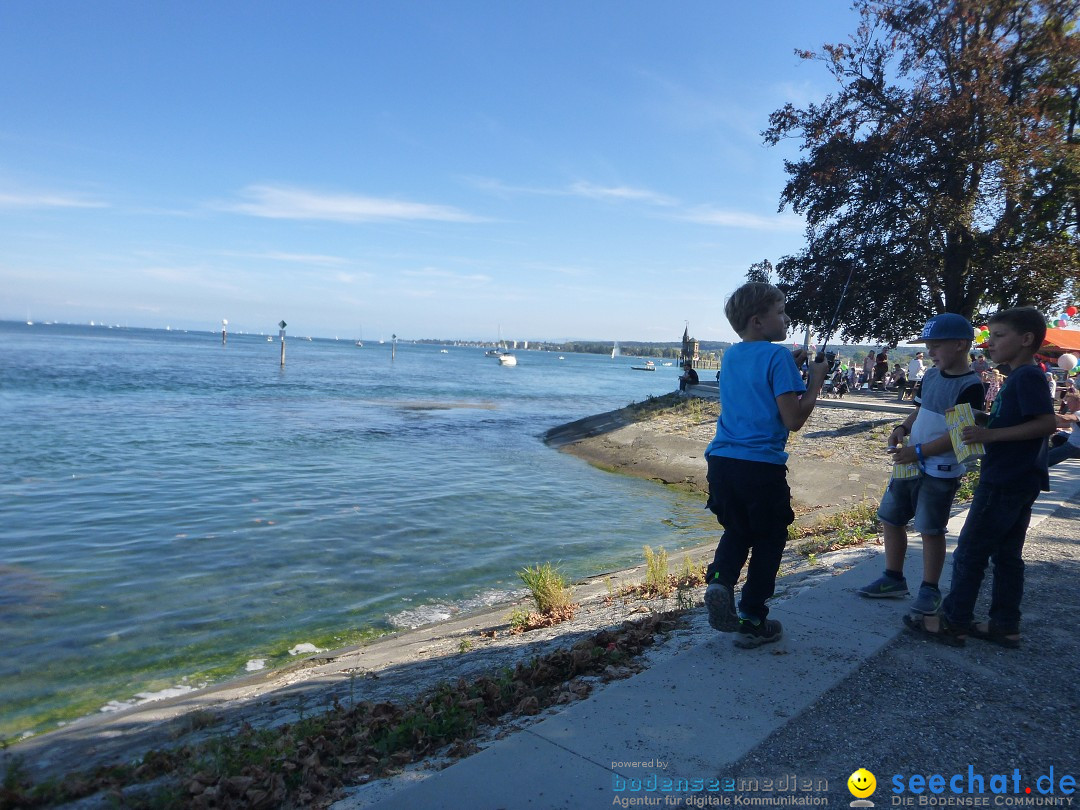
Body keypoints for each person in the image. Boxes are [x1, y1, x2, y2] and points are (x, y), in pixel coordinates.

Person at [904, 307, 1057, 647]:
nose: (990, 343)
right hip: (1021, 479)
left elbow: (1046, 424)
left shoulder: (1026, 376)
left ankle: (953, 621)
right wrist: (984, 422)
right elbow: (1021, 421)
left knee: (971, 552)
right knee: (1006, 555)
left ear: (1026, 339)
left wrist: (989, 436)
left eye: (999, 336)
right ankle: (1005, 624)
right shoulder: (1019, 376)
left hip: (1004, 480)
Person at [702, 282, 828, 648]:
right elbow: (793, 420)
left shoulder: (731, 356)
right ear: (759, 321)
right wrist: (815, 382)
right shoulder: (776, 358)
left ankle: (721, 581)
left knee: (737, 530)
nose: (787, 318)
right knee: (770, 538)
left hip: (722, 461)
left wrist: (790, 367)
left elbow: (755, 385)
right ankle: (753, 618)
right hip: (761, 467)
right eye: (781, 311)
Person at [857, 313, 984, 614]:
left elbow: (960, 435)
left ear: (961, 344)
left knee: (930, 528)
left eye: (936, 345)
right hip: (910, 459)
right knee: (891, 517)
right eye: (928, 345)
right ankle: (893, 577)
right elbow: (920, 411)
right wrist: (901, 428)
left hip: (939, 469)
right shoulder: (930, 376)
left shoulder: (971, 385)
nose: (930, 352)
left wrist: (920, 452)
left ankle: (929, 588)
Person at [1049, 389, 1080, 466]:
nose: (1068, 405)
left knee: (1044, 459)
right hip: (1073, 445)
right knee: (1057, 438)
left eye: (1070, 402)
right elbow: (1065, 424)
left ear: (1078, 402)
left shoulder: (1078, 413)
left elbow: (1065, 419)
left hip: (1074, 446)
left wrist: (1048, 412)